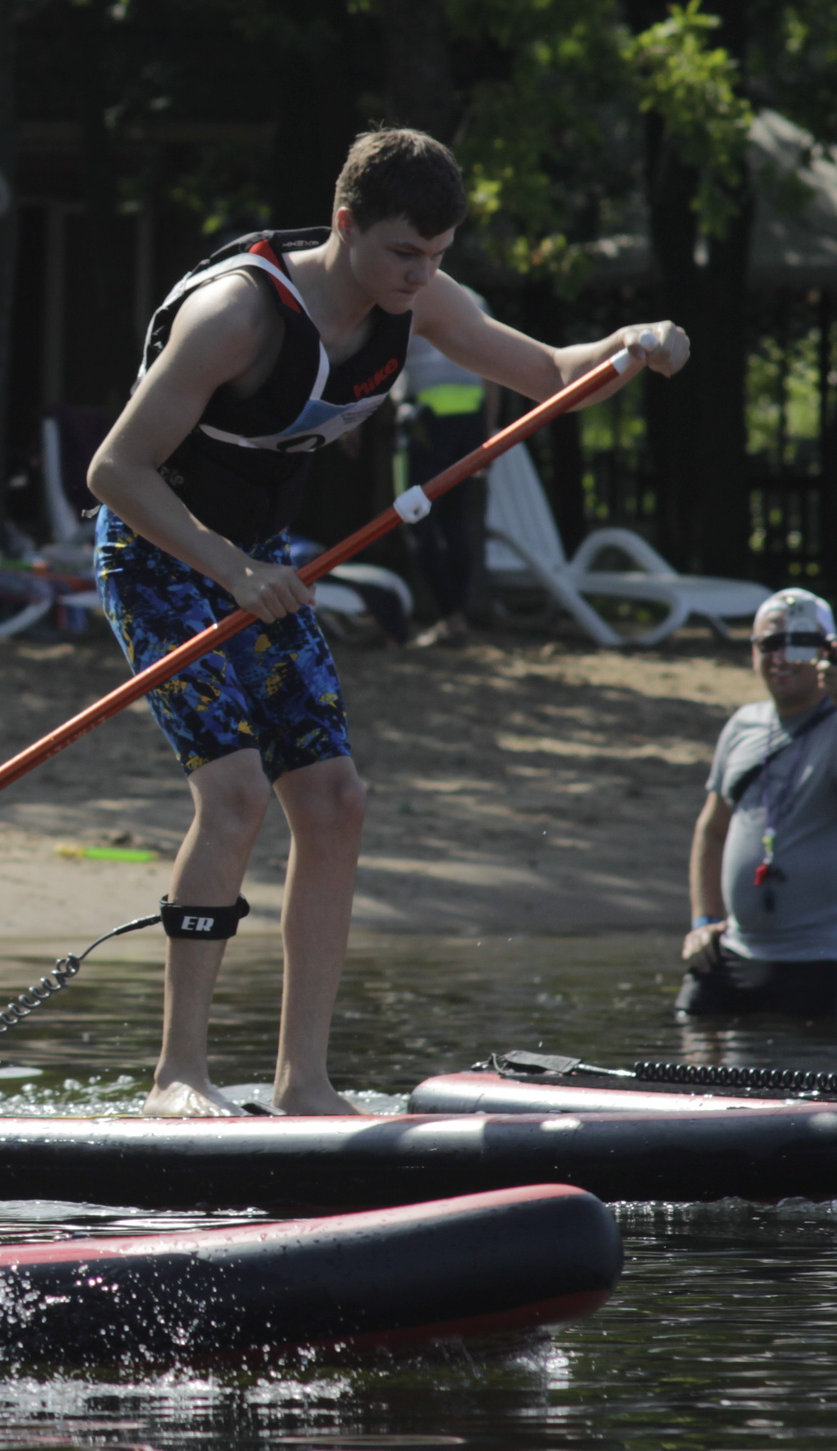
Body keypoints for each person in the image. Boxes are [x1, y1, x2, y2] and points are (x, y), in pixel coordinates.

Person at [85, 127, 690, 1117]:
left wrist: (636, 344)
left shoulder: (420, 300)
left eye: (437, 256)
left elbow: (552, 373)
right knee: (235, 793)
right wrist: (233, 569)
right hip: (160, 552)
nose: (420, 276)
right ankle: (178, 1075)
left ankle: (303, 1083)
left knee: (335, 802)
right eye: (404, 253)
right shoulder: (237, 315)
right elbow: (113, 470)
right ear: (345, 224)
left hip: (262, 565)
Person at [682, 589, 837, 1022]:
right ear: (753, 652)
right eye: (769, 644)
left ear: (827, 650)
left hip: (828, 960)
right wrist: (703, 921)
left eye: (797, 642)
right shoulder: (742, 725)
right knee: (691, 1045)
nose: (780, 656)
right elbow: (712, 830)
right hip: (738, 952)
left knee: (822, 1064)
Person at [392, 326, 488, 646]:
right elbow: (492, 375)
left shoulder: (404, 303)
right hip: (471, 419)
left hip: (425, 418)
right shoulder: (478, 304)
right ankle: (456, 616)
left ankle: (450, 616)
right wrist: (487, 437)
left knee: (414, 520)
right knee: (454, 522)